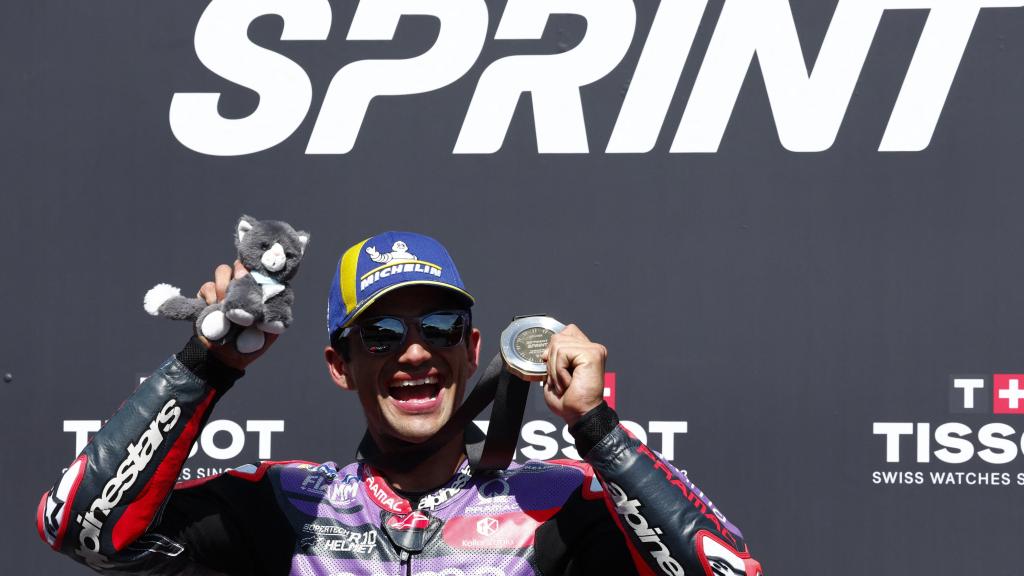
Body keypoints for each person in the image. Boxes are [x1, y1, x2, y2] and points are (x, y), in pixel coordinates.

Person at [37, 231, 763, 576]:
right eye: (382, 335)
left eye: (438, 328)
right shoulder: (287, 506)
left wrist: (598, 431)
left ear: (471, 351)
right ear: (340, 366)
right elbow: (83, 531)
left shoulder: (558, 505)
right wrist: (208, 364)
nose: (415, 353)